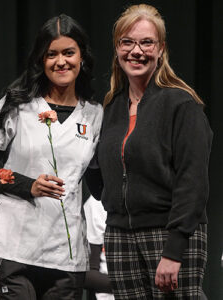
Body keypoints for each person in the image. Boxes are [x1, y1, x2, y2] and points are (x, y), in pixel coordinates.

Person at [85, 4, 213, 299]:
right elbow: (101, 178)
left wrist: (175, 247)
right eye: (127, 42)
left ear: (161, 49)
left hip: (168, 234)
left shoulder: (181, 105)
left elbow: (192, 182)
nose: (136, 51)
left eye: (146, 42)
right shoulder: (111, 108)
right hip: (119, 238)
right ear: (117, 48)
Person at [0, 14, 103, 300]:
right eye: (51, 54)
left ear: (82, 57)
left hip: (66, 257)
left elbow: (97, 182)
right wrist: (27, 184)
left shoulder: (95, 114)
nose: (61, 61)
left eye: (69, 52)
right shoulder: (16, 104)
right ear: (40, 61)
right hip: (10, 249)